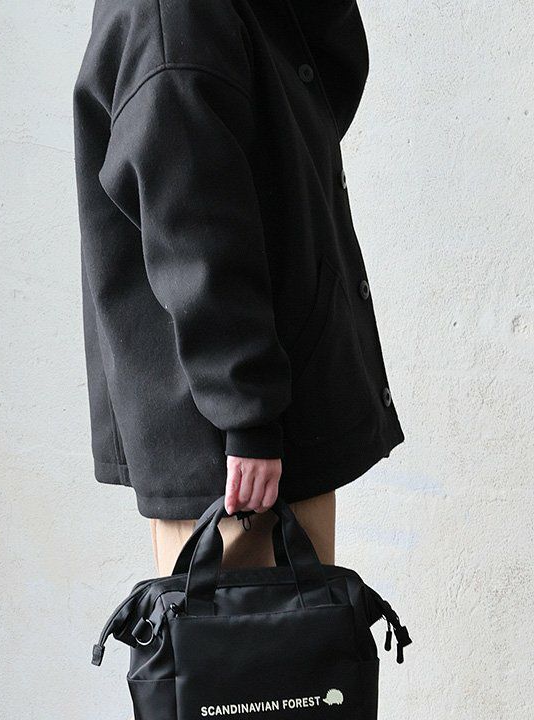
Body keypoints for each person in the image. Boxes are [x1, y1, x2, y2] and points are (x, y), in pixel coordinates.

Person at [73, 0, 404, 579]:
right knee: (250, 630)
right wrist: (246, 415)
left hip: (257, 413)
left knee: (291, 629)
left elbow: (317, 95)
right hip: (227, 443)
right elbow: (195, 231)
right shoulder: (178, 16)